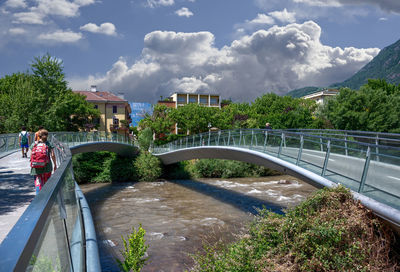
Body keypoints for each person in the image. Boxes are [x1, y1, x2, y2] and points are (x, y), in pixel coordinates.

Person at [30, 129, 57, 194]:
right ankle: (46, 198)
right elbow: (53, 155)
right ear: (47, 136)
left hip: (36, 168)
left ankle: (38, 197)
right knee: (47, 183)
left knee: (38, 183)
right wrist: (55, 164)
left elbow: (31, 155)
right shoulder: (48, 144)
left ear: (39, 136)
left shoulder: (34, 144)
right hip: (47, 167)